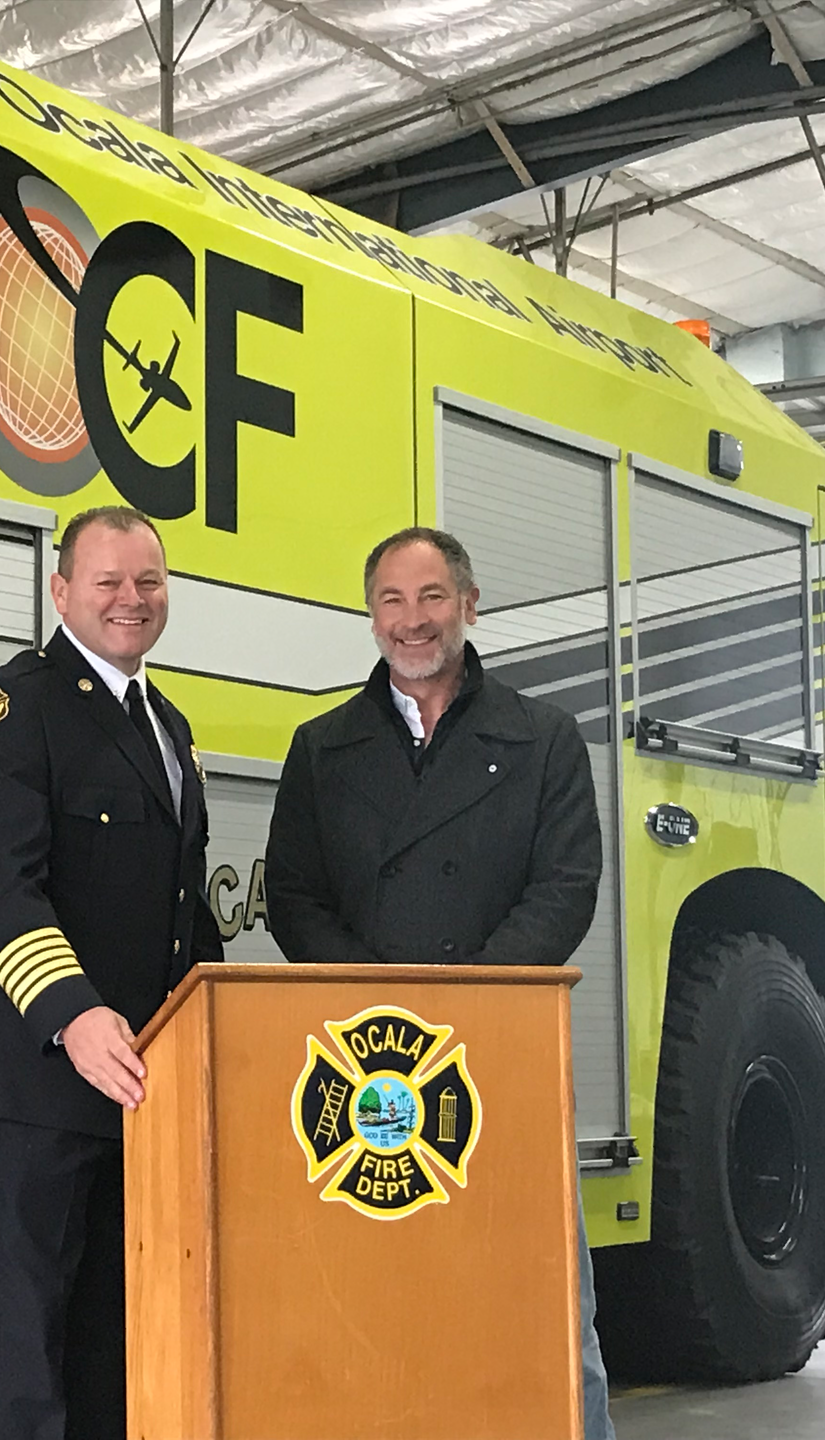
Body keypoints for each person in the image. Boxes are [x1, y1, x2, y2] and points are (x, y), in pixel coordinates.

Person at [263, 525, 616, 1440]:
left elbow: (566, 887)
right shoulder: (322, 747)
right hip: (368, 1073)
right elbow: (294, 896)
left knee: (547, 1303)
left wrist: (468, 1004)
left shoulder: (544, 739)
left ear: (469, 605)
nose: (411, 620)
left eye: (430, 598)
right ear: (371, 615)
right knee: (378, 1298)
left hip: (501, 1054)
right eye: (391, 600)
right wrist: (376, 1001)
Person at [0, 505, 224, 1440]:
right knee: (34, 1357)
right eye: (107, 581)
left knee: (115, 1347)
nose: (130, 599)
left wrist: (213, 1031)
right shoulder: (12, 709)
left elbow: (182, 912)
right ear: (61, 592)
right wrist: (73, 1013)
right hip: (40, 1082)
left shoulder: (166, 724)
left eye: (148, 581)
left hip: (139, 1088)